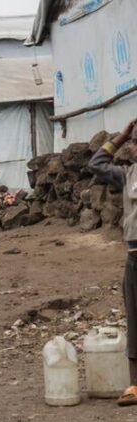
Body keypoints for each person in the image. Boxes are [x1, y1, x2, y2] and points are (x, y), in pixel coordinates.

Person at [89, 117, 137, 405]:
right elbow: (96, 165)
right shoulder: (127, 174)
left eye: (136, 142)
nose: (134, 147)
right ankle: (135, 385)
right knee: (135, 320)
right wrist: (119, 136)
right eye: (133, 142)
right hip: (134, 256)